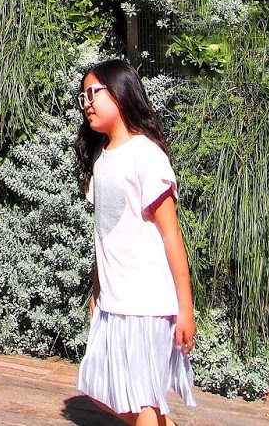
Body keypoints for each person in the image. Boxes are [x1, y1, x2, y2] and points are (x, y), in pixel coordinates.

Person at [74, 59, 196, 426]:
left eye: (94, 93)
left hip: (147, 302)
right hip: (115, 301)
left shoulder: (146, 155)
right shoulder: (101, 160)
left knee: (142, 402)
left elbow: (171, 234)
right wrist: (97, 290)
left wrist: (185, 308)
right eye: (83, 97)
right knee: (103, 390)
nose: (87, 103)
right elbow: (106, 234)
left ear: (122, 94)